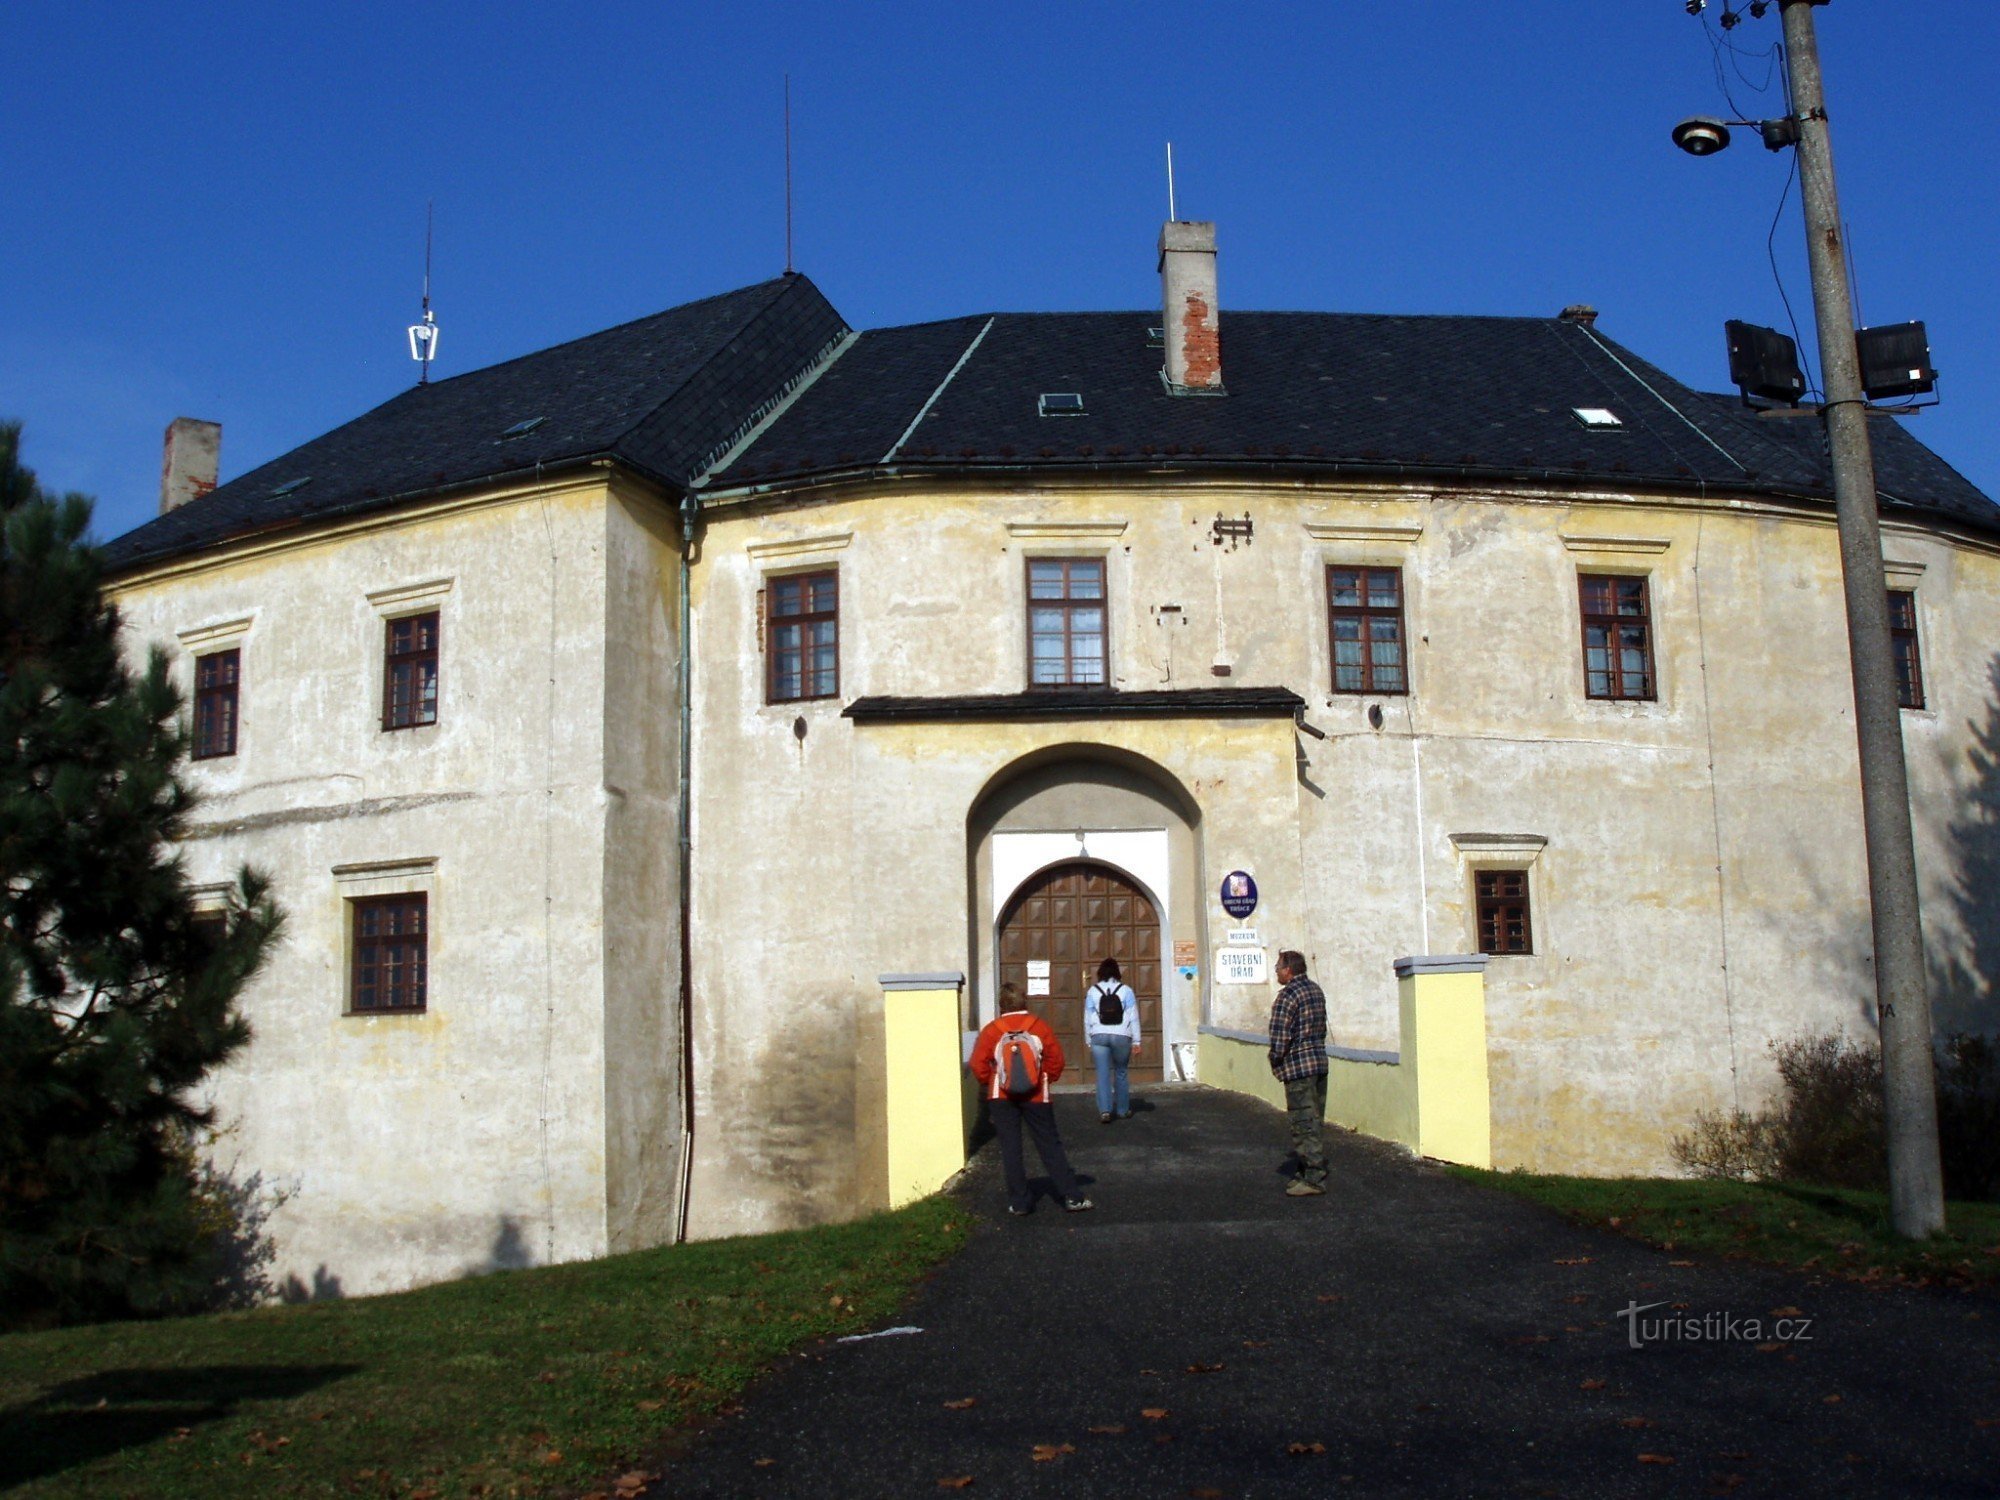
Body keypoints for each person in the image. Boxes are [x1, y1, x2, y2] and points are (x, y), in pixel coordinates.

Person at [969, 983, 1094, 1215]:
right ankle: (1071, 1197)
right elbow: (1056, 1060)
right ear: (1024, 1002)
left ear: (1001, 1005)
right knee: (1049, 1144)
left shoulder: (992, 1030)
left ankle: (1020, 1202)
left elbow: (978, 1064)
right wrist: (1043, 1078)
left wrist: (994, 1080)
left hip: (1001, 1096)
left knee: (1011, 1147)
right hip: (1037, 1095)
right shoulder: (1039, 1027)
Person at [1267, 949, 1330, 1196]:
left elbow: (1280, 1036)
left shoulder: (1287, 996)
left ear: (1288, 970)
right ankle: (1306, 1171)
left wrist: (1275, 1059)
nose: (1276, 972)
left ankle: (1314, 1178)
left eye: (1278, 968)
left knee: (1303, 1122)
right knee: (1315, 1120)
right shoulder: (1316, 991)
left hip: (1298, 1067)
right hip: (1319, 1062)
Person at [1085, 957, 1141, 1123]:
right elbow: (1133, 1017)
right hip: (1122, 1035)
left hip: (1099, 1035)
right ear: (1118, 973)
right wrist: (1137, 1041)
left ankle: (1105, 1111)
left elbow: (1087, 1018)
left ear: (1100, 973)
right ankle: (1123, 1110)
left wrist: (1089, 1039)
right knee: (1121, 1072)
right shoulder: (1126, 990)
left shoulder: (1093, 991)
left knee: (1102, 1073)